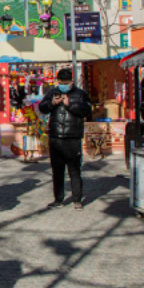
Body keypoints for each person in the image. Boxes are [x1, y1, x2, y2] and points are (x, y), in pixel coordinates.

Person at [38, 68, 92, 210]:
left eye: (65, 82)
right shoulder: (52, 92)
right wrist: (52, 103)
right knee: (57, 171)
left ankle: (77, 200)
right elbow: (42, 108)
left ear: (71, 81)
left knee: (74, 171)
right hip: (56, 137)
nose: (63, 85)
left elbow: (87, 111)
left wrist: (70, 105)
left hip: (72, 137)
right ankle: (58, 199)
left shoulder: (80, 94)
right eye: (61, 82)